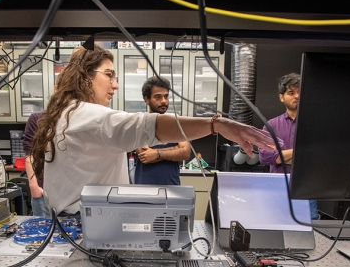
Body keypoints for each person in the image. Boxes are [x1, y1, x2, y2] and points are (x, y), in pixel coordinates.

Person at [31, 44, 275, 215]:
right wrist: (217, 124)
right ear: (85, 76)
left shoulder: (67, 113)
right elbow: (152, 125)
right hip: (82, 222)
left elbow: (168, 139)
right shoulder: (87, 116)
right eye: (109, 75)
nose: (115, 85)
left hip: (70, 219)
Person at [258, 73, 318, 219]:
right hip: (277, 188)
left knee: (309, 230)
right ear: (281, 97)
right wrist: (302, 151)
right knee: (276, 227)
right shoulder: (271, 126)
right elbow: (265, 157)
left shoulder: (315, 125)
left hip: (307, 188)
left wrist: (281, 156)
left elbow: (317, 156)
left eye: (300, 92)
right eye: (291, 93)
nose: (296, 96)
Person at [134, 76, 191, 186]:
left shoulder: (175, 123)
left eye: (166, 96)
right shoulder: (139, 123)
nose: (164, 101)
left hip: (172, 188)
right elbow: (145, 156)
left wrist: (157, 153)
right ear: (146, 99)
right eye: (158, 97)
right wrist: (176, 149)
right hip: (144, 188)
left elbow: (186, 152)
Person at [23, 110, 51, 217]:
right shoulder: (37, 118)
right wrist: (33, 185)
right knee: (42, 230)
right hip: (42, 190)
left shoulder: (77, 119)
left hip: (71, 194)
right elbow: (30, 153)